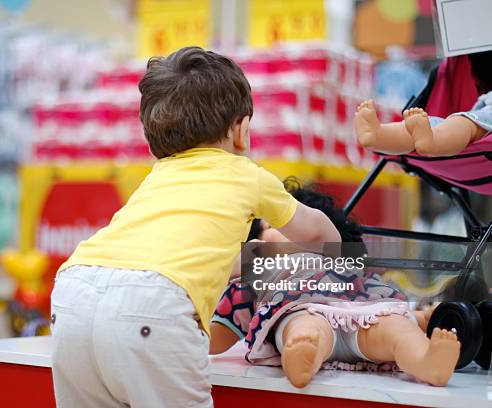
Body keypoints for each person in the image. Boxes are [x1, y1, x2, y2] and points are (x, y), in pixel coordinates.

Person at [50, 47, 340, 408]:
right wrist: (338, 251)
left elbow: (199, 258)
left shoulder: (158, 177)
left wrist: (258, 259)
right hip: (154, 306)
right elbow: (318, 235)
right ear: (242, 129)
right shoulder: (246, 174)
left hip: (73, 294)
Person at [210, 179, 459, 388]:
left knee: (395, 328)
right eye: (273, 226)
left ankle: (426, 361)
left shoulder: (340, 262)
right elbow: (227, 320)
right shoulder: (261, 270)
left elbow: (371, 293)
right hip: (299, 308)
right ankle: (301, 358)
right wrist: (197, 336)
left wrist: (418, 318)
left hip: (362, 313)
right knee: (306, 329)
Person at [354, 50, 492, 157]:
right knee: (432, 125)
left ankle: (429, 141)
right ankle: (380, 135)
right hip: (476, 118)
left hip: (476, 120)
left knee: (462, 124)